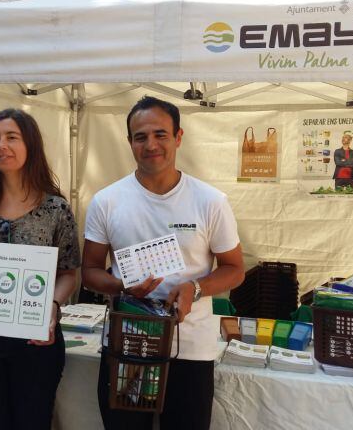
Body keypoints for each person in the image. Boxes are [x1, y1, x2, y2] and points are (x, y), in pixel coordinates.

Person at [82, 96, 245, 430]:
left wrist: (194, 288)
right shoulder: (106, 201)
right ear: (129, 141)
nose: (151, 145)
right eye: (140, 137)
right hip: (127, 346)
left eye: (160, 134)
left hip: (190, 350)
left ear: (178, 137)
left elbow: (235, 268)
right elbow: (90, 272)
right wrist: (122, 286)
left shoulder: (210, 201)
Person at [0, 109, 80, 430]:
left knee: (33, 422)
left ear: (30, 145)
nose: (1, 146)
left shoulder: (56, 208)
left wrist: (52, 306)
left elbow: (69, 273)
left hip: (35, 341)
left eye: (12, 137)